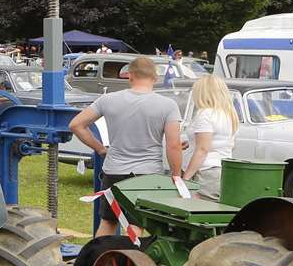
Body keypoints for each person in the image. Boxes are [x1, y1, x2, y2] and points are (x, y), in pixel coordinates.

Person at [70, 57, 183, 236]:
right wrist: (177, 175)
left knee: (108, 222)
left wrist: (100, 149)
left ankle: (95, 262)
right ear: (155, 77)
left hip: (114, 170)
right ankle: (130, 262)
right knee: (137, 225)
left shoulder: (107, 100)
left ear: (129, 76)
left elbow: (76, 125)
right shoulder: (168, 105)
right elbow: (174, 145)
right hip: (147, 175)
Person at [181, 76, 237, 198]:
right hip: (222, 170)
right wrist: (192, 142)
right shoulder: (229, 114)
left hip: (204, 172)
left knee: (198, 211)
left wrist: (186, 178)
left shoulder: (205, 114)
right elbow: (229, 144)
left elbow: (202, 150)